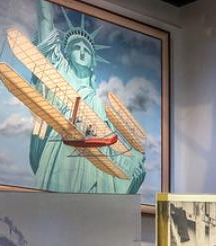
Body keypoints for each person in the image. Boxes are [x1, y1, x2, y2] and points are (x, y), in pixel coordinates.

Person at [28, 3, 145, 194]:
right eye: (76, 47)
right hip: (62, 149)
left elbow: (114, 155)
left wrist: (132, 175)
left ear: (93, 62)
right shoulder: (61, 74)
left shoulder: (101, 106)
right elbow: (45, 21)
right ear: (67, 54)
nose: (82, 52)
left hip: (96, 159)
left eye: (87, 50)